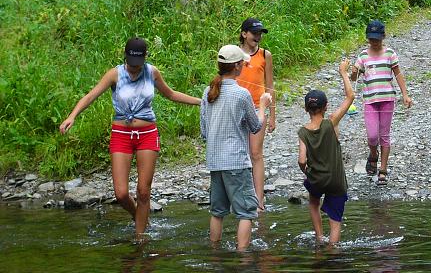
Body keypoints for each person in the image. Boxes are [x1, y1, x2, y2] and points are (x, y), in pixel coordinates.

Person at [59, 37, 200, 236]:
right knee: (121, 193)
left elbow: (171, 94)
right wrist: (72, 116)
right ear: (125, 57)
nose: (134, 68)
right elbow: (91, 95)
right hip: (121, 134)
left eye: (138, 63)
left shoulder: (152, 72)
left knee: (143, 191)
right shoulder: (115, 74)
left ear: (145, 58)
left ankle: (140, 238)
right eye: (131, 63)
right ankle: (139, 217)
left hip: (147, 134)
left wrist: (201, 101)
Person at [200, 44, 272, 250]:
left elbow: (204, 131)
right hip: (236, 162)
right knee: (247, 212)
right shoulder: (242, 95)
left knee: (217, 211)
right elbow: (256, 126)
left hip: (215, 162)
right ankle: (243, 257)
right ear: (238, 66)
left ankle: (215, 254)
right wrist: (264, 106)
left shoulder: (208, 92)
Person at [298, 58, 354, 244]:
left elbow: (301, 160)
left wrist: (307, 172)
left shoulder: (303, 132)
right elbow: (350, 97)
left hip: (317, 179)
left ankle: (319, 237)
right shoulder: (332, 122)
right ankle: (332, 248)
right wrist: (343, 73)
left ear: (306, 109)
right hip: (336, 181)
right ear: (326, 106)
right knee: (335, 222)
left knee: (314, 202)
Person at [350, 20, 412, 186]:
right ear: (367, 38)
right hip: (370, 100)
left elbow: (398, 75)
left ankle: (383, 170)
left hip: (387, 99)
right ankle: (373, 154)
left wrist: (405, 95)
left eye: (377, 38)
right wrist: (354, 72)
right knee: (372, 136)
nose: (375, 41)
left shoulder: (390, 53)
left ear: (383, 37)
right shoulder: (363, 56)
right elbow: (354, 79)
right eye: (371, 38)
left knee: (384, 135)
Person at [237, 18, 276, 212]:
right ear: (244, 34)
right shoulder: (233, 54)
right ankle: (241, 196)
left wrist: (273, 114)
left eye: (260, 33)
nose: (258, 37)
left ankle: (259, 201)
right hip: (236, 108)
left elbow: (270, 85)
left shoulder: (265, 55)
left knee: (256, 153)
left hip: (257, 108)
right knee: (238, 153)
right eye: (254, 33)